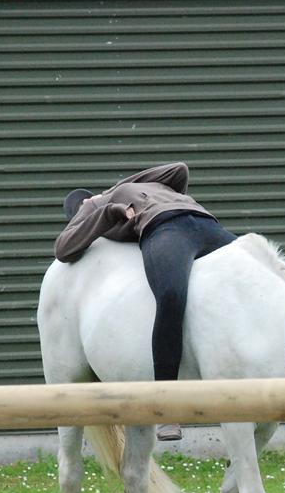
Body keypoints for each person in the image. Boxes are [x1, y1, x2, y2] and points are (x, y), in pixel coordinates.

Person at [54, 162, 237, 441]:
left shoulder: (127, 189)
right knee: (170, 294)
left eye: (86, 200)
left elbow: (179, 170)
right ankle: (166, 408)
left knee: (268, 280)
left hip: (205, 221)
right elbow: (63, 248)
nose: (87, 201)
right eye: (82, 205)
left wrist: (118, 190)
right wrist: (106, 210)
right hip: (163, 227)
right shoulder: (96, 213)